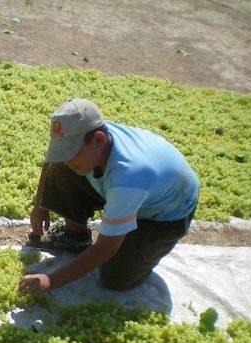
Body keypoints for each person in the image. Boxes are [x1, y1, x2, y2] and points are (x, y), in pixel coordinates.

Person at [19, 98, 199, 294]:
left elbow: (106, 249)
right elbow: (54, 158)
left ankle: (143, 248)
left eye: (71, 152)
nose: (66, 158)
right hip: (133, 190)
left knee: (115, 279)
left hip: (166, 215)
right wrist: (40, 206)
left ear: (98, 140)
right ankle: (75, 236)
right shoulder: (89, 137)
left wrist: (50, 280)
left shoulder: (128, 177)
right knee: (63, 168)